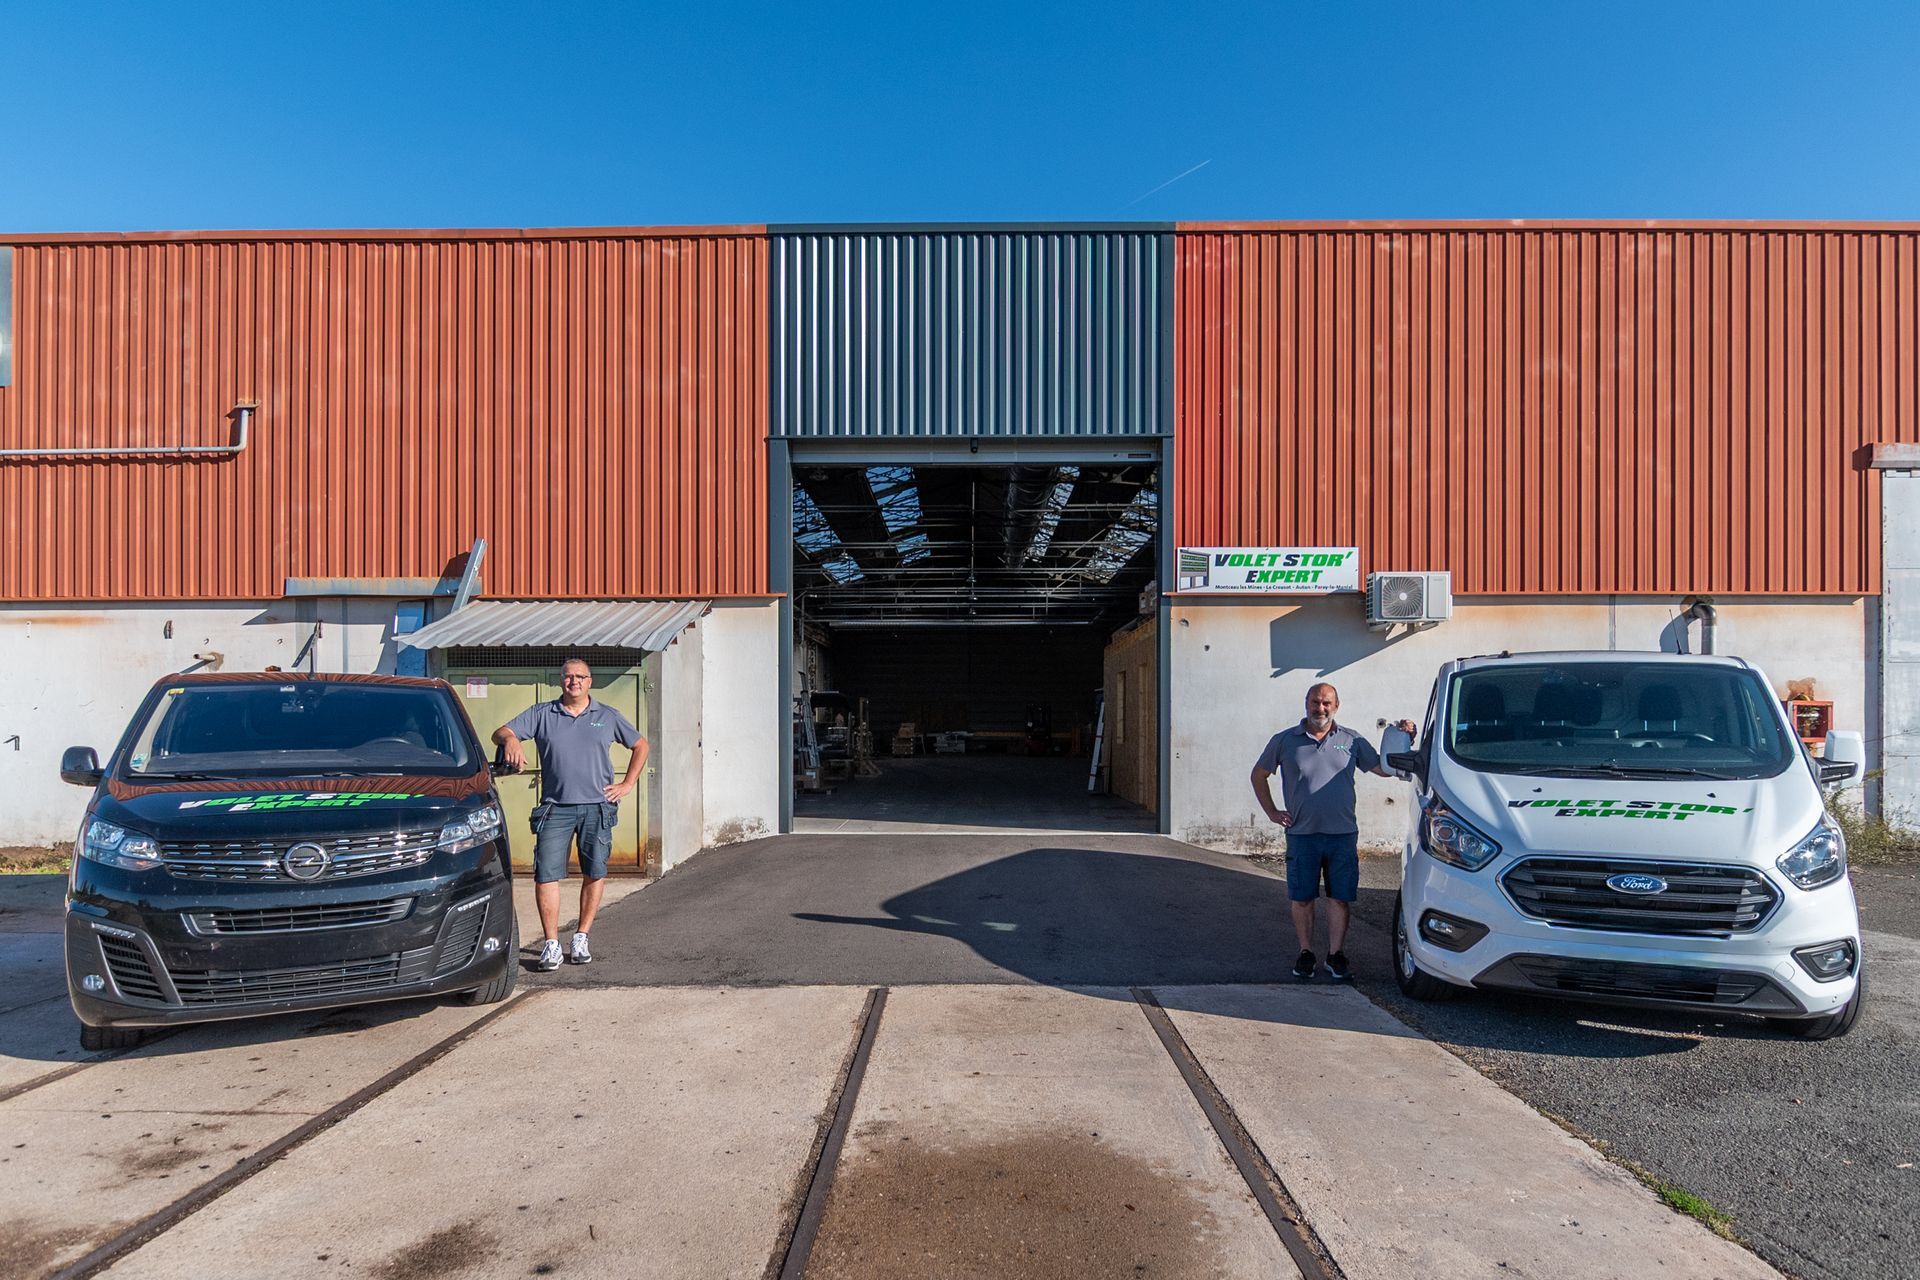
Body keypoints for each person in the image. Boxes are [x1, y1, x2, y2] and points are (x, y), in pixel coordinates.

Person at [1250, 682, 1415, 982]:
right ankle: (1305, 954)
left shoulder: (1351, 740)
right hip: (1302, 835)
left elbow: (1383, 768)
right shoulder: (1285, 741)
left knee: (1339, 898)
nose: (1320, 708)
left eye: (1327, 703)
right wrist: (1272, 813)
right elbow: (1258, 774)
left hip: (1342, 835)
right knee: (1302, 898)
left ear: (1336, 706)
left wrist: (1405, 738)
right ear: (1306, 703)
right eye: (1315, 702)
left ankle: (1335, 955)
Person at [494, 658, 648, 971]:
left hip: (597, 807)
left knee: (595, 871)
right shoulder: (541, 714)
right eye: (568, 677)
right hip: (555, 807)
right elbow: (501, 732)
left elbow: (641, 745)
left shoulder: (606, 716)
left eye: (580, 677)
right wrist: (511, 739)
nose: (573, 681)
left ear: (590, 682)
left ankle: (581, 937)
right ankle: (551, 944)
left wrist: (628, 783)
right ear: (561, 681)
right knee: (546, 874)